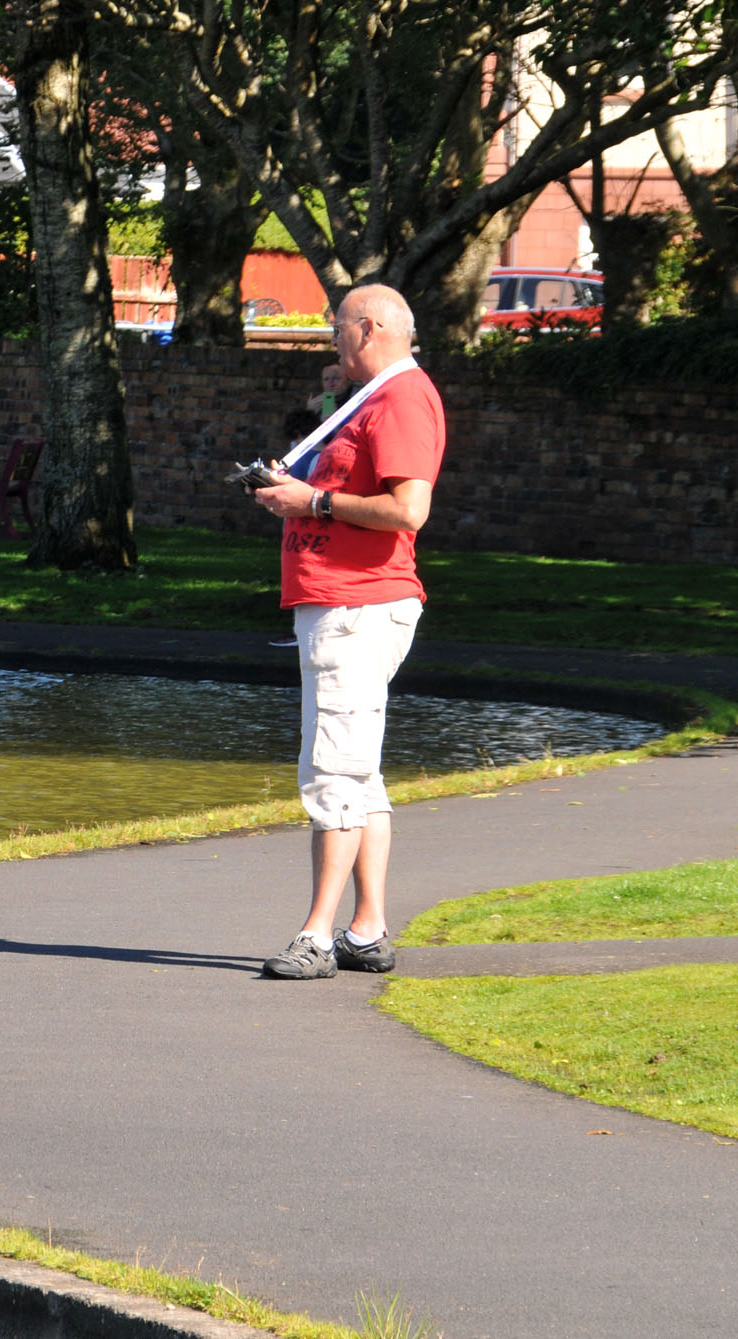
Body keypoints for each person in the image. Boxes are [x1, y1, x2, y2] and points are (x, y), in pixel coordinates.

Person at [250, 284, 445, 980]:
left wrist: (314, 500)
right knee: (359, 771)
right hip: (343, 602)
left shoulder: (401, 398)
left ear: (370, 329)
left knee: (331, 769)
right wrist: (293, 491)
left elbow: (408, 509)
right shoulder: (373, 398)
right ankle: (365, 928)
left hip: (357, 606)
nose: (333, 344)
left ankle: (316, 934)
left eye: (338, 332)